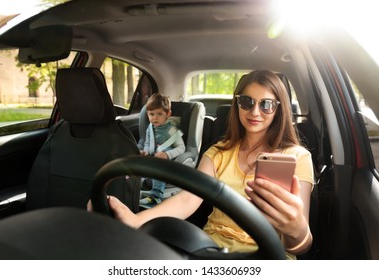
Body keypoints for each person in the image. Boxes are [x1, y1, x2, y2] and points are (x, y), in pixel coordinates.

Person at [88, 70, 314, 258]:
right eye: (246, 102)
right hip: (210, 250)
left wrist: (297, 230)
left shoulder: (298, 158)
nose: (255, 111)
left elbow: (299, 245)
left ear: (279, 108)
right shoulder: (218, 152)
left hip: (269, 254)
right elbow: (187, 199)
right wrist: (136, 220)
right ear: (237, 105)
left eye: (266, 104)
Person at [139, 93, 185, 206]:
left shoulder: (171, 130)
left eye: (159, 114)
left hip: (167, 162)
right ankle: (137, 187)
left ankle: (156, 196)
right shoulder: (150, 128)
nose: (154, 117)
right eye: (151, 114)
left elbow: (181, 148)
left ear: (168, 114)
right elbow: (148, 143)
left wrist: (167, 155)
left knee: (158, 167)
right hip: (154, 158)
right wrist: (145, 151)